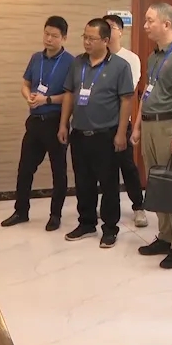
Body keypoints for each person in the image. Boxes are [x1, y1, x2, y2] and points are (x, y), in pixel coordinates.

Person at [131, 2, 172, 269]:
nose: (145, 26)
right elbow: (147, 94)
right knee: (157, 185)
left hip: (170, 126)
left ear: (166, 24)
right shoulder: (154, 56)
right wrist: (138, 126)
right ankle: (165, 236)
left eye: (150, 21)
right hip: (150, 125)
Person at [57, 18, 134, 248]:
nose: (87, 42)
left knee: (109, 184)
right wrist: (63, 124)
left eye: (92, 38)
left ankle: (110, 228)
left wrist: (121, 133)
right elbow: (69, 94)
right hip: (80, 133)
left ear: (106, 40)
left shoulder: (120, 66)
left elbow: (126, 101)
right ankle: (86, 222)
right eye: (85, 37)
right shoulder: (77, 63)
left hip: (106, 134)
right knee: (83, 181)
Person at [1, 16, 73, 231]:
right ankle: (21, 211)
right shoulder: (36, 58)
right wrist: (29, 96)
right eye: (46, 34)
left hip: (56, 122)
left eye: (54, 36)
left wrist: (47, 100)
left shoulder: (71, 62)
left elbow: (71, 95)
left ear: (64, 38)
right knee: (25, 168)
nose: (49, 39)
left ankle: (55, 215)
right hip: (34, 122)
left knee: (58, 171)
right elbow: (25, 84)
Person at [102, 14, 148, 227]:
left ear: (121, 31)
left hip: (121, 122)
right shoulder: (97, 57)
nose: (107, 30)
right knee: (104, 168)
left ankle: (138, 206)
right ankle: (108, 208)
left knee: (127, 166)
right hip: (100, 123)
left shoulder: (130, 59)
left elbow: (127, 90)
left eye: (111, 27)